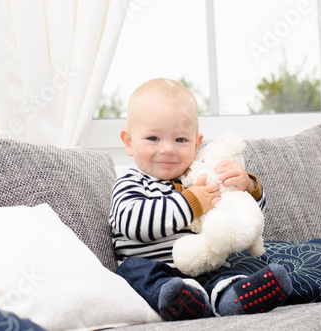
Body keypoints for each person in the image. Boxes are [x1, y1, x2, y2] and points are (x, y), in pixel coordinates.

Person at [109, 78, 292, 321]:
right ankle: (182, 300)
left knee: (235, 265)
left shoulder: (202, 175)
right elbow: (132, 223)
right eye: (153, 138)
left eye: (180, 140)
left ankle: (231, 296)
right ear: (129, 143)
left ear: (196, 144)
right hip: (155, 269)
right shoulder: (131, 181)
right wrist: (189, 203)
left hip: (205, 266)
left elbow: (242, 218)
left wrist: (246, 188)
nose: (167, 149)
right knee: (133, 271)